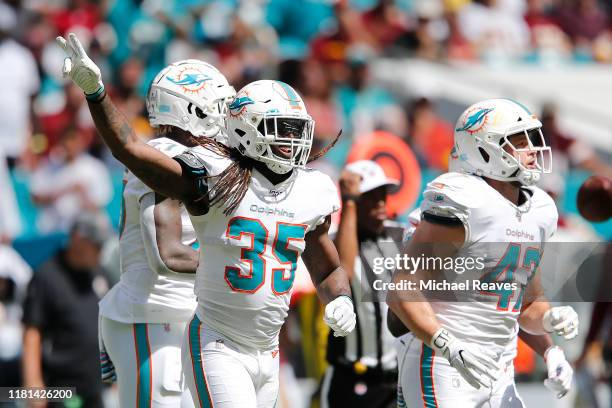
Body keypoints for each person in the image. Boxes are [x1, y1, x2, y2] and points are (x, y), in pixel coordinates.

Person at [57, 32, 356, 408]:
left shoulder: (309, 188)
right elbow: (131, 154)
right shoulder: (208, 173)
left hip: (255, 342)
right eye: (281, 129)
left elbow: (326, 266)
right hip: (169, 318)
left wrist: (340, 299)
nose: (292, 140)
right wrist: (97, 93)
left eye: (295, 130)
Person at [387, 98, 580, 406]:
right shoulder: (465, 201)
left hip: (501, 367)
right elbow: (402, 289)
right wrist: (448, 345)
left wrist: (550, 339)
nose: (532, 149)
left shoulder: (539, 209)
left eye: (531, 138)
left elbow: (525, 302)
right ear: (484, 149)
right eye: (518, 141)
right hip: (443, 362)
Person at [97, 59, 236, 408]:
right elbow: (168, 254)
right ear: (191, 109)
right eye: (219, 106)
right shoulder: (167, 156)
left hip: (183, 319)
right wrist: (234, 262)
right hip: (155, 317)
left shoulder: (196, 158)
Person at [320, 160, 402, 408]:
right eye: (369, 197)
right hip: (351, 379)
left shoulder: (399, 236)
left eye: (382, 195)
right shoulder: (337, 240)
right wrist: (350, 201)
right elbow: (343, 270)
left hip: (395, 379)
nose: (379, 203)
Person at [22, 212, 111, 408]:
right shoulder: (46, 276)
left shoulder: (101, 275)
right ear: (78, 239)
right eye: (96, 245)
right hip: (60, 387)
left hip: (95, 388)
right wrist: (33, 383)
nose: (100, 251)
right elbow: (32, 332)